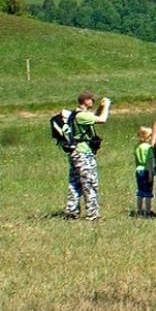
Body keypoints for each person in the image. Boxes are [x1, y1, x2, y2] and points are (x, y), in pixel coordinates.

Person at [64, 91, 111, 221]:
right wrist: (107, 105)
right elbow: (102, 119)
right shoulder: (81, 116)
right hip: (83, 153)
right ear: (85, 101)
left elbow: (94, 117)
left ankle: (71, 210)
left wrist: (100, 108)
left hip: (75, 152)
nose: (93, 102)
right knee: (89, 182)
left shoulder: (75, 115)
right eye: (92, 100)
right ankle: (93, 214)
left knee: (75, 182)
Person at [133, 126, 156, 217]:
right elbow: (149, 162)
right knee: (148, 192)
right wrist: (151, 173)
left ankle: (139, 209)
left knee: (140, 191)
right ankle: (148, 210)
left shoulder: (137, 147)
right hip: (146, 170)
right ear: (149, 137)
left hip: (138, 169)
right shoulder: (149, 148)